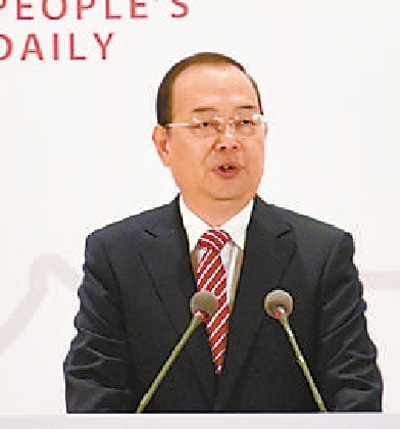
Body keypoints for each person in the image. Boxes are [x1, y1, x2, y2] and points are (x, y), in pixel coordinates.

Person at [63, 52, 383, 412]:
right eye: (205, 124)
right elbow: (94, 390)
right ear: (163, 143)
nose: (229, 141)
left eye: (245, 122)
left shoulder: (321, 254)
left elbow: (355, 391)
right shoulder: (117, 256)